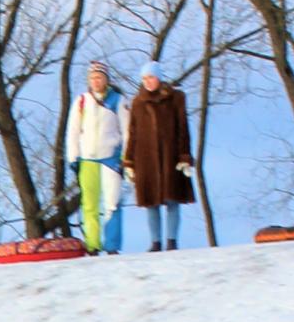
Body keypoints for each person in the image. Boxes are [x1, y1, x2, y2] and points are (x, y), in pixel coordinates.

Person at [122, 60, 196, 252]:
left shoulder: (175, 98)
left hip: (170, 155)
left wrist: (185, 156)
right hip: (145, 158)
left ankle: (172, 240)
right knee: (151, 202)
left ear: (159, 77)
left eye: (151, 77)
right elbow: (133, 132)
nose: (148, 81)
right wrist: (129, 161)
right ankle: (155, 241)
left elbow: (183, 128)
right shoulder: (138, 102)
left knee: (172, 198)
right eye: (144, 78)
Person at [64, 59, 126, 255]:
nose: (96, 81)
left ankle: (112, 245)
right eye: (93, 78)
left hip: (111, 158)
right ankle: (92, 244)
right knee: (89, 204)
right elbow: (73, 131)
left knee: (112, 203)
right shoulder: (81, 101)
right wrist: (73, 157)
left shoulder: (118, 100)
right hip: (87, 159)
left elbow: (128, 131)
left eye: (99, 77)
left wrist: (126, 157)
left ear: (106, 79)